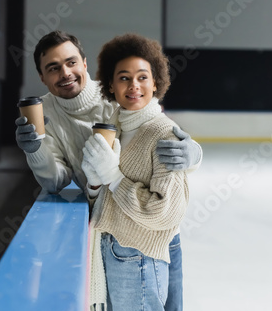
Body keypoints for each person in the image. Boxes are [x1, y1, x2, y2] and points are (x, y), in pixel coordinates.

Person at [82, 33, 190, 311]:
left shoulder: (163, 133)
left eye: (142, 77)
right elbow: (106, 199)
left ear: (156, 82)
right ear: (110, 86)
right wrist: (95, 182)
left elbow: (164, 212)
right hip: (112, 251)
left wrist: (113, 176)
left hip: (139, 257)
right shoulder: (114, 126)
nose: (134, 85)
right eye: (124, 77)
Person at [15, 31, 202, 194]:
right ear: (42, 77)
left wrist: (195, 154)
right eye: (53, 68)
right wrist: (35, 150)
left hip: (140, 207)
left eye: (71, 62)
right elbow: (55, 183)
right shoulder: (44, 112)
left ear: (85, 64)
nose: (65, 73)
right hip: (99, 210)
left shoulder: (118, 94)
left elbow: (158, 126)